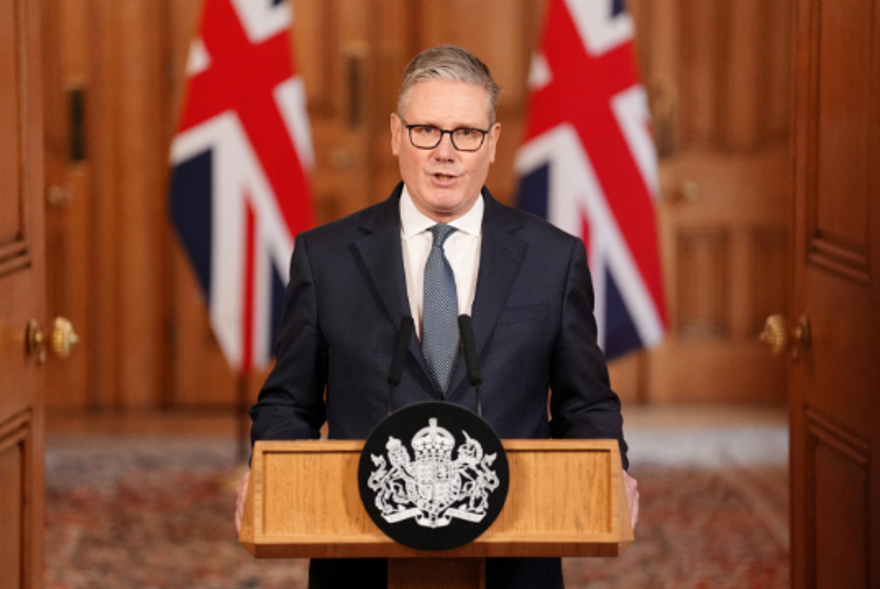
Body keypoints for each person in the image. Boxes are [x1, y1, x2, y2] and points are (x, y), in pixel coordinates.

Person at [236, 44, 639, 589]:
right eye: (426, 130)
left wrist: (610, 470)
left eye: (466, 133)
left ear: (492, 142)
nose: (445, 152)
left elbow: (585, 402)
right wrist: (272, 475)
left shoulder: (553, 259)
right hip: (361, 554)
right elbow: (289, 401)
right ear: (396, 134)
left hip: (515, 553)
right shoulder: (325, 257)